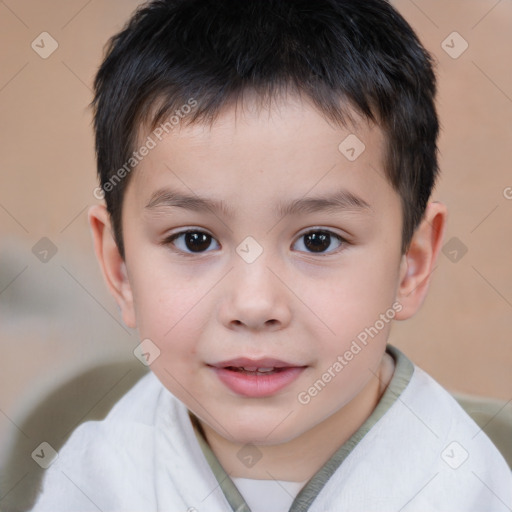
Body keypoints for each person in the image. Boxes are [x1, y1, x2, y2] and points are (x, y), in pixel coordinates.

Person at [31, 0, 512, 510]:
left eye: (318, 240)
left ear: (410, 264)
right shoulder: (97, 475)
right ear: (119, 266)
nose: (254, 305)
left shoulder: (463, 487)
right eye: (194, 240)